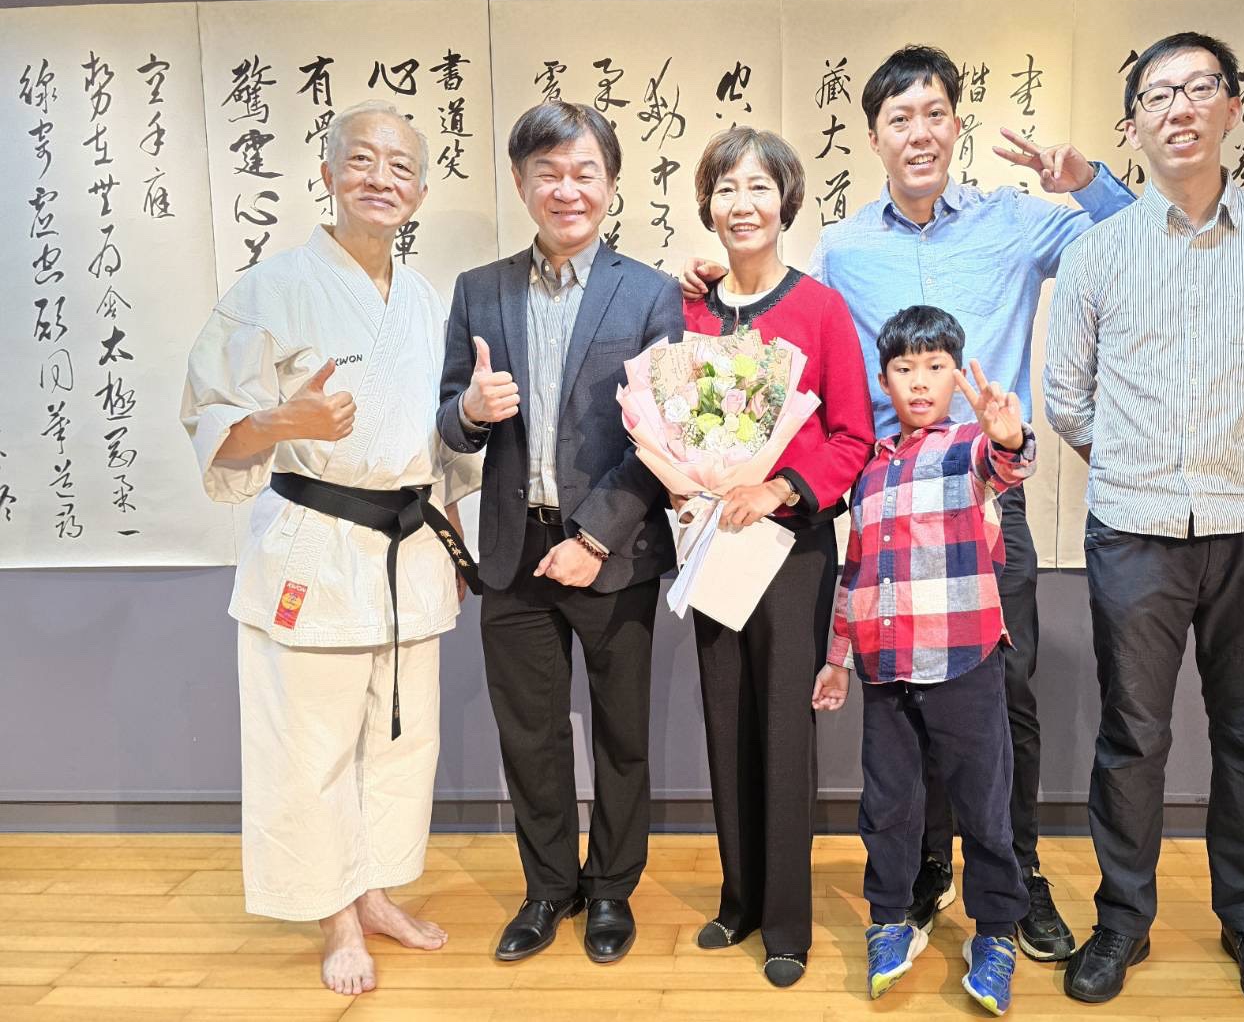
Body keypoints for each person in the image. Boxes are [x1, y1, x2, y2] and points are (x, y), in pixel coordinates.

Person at [685, 45, 1134, 960]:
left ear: (954, 124)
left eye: (933, 113)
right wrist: (704, 292)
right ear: (874, 138)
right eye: (899, 118)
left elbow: (1134, 239)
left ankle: (1017, 877)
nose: (918, 132)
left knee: (1003, 696)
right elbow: (787, 329)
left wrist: (1084, 181)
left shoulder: (1015, 221)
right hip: (886, 499)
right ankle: (928, 869)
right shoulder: (845, 248)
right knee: (900, 701)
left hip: (982, 490)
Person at [1043, 32, 1244, 1013]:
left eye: (1200, 87)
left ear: (1231, 108)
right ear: (1132, 126)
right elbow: (1066, 397)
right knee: (1133, 734)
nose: (1180, 107)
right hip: (1134, 529)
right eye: (1158, 94)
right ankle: (1122, 918)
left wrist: (1231, 454)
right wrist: (1140, 465)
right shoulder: (1095, 250)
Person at [180, 99, 480, 997]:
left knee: (399, 737)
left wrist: (451, 543)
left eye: (400, 166)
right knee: (308, 745)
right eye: (361, 160)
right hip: (314, 542)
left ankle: (374, 891)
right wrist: (284, 420)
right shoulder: (268, 291)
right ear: (327, 175)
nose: (380, 178)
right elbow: (212, 424)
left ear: (419, 190)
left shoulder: (423, 300)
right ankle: (334, 916)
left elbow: (435, 440)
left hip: (407, 547)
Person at [436, 100, 684, 966]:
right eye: (548, 172)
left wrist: (596, 537)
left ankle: (611, 888)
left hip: (613, 552)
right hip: (511, 551)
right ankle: (547, 888)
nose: (566, 189)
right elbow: (449, 419)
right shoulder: (479, 289)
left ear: (610, 184)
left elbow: (666, 438)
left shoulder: (649, 293)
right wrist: (470, 411)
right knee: (529, 735)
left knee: (620, 733)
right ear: (520, 182)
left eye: (584, 172)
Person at [679, 126, 875, 987]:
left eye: (758, 187)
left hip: (791, 547)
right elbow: (665, 417)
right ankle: (740, 898)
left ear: (785, 201)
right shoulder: (691, 310)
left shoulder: (820, 308)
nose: (742, 203)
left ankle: (787, 919)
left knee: (784, 729)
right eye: (726, 188)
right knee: (725, 716)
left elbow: (852, 437)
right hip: (711, 540)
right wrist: (684, 484)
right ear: (707, 205)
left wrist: (781, 487)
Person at [816, 305, 1036, 1016]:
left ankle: (995, 932)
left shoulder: (968, 448)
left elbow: (1008, 464)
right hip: (884, 666)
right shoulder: (869, 468)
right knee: (887, 804)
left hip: (964, 660)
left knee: (983, 806)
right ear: (883, 380)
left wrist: (1010, 436)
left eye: (935, 367)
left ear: (953, 376)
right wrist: (837, 658)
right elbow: (854, 570)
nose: (919, 381)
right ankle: (889, 919)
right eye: (904, 368)